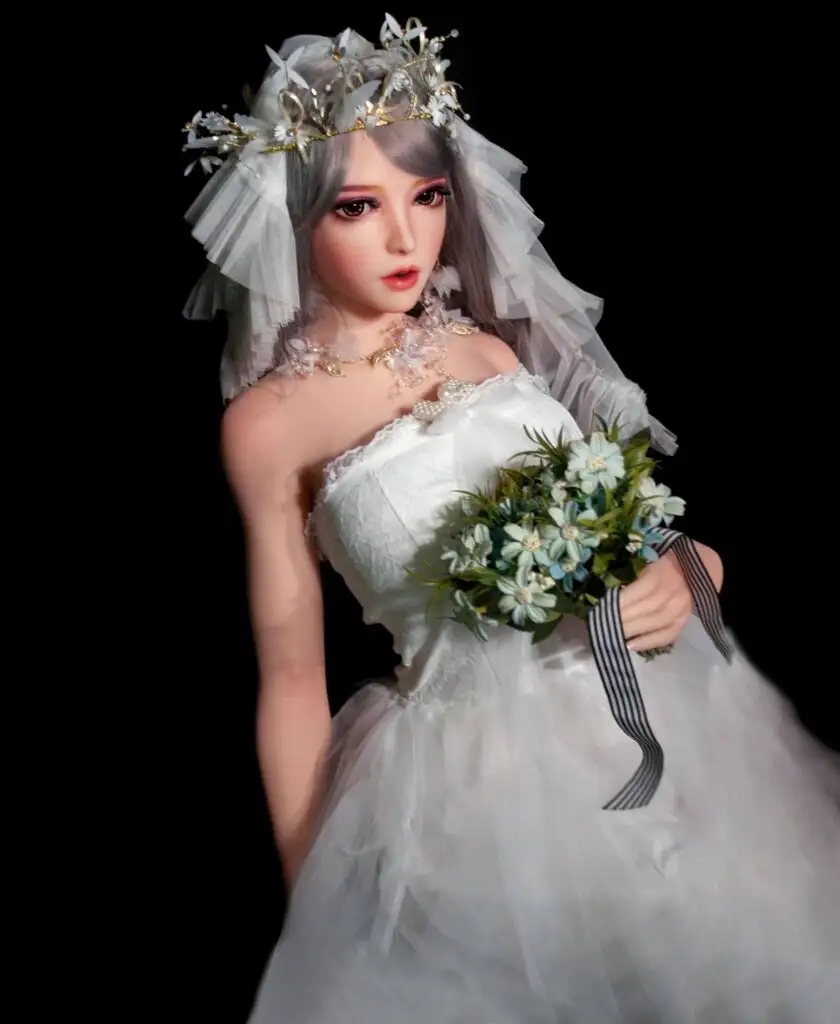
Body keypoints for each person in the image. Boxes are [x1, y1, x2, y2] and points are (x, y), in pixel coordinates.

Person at [182, 16, 840, 1023]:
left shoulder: (487, 350)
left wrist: (694, 562)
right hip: (472, 797)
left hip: (662, 729)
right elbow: (292, 678)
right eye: (359, 207)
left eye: (428, 196)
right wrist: (313, 901)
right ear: (297, 216)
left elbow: (623, 530)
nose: (407, 239)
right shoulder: (268, 426)